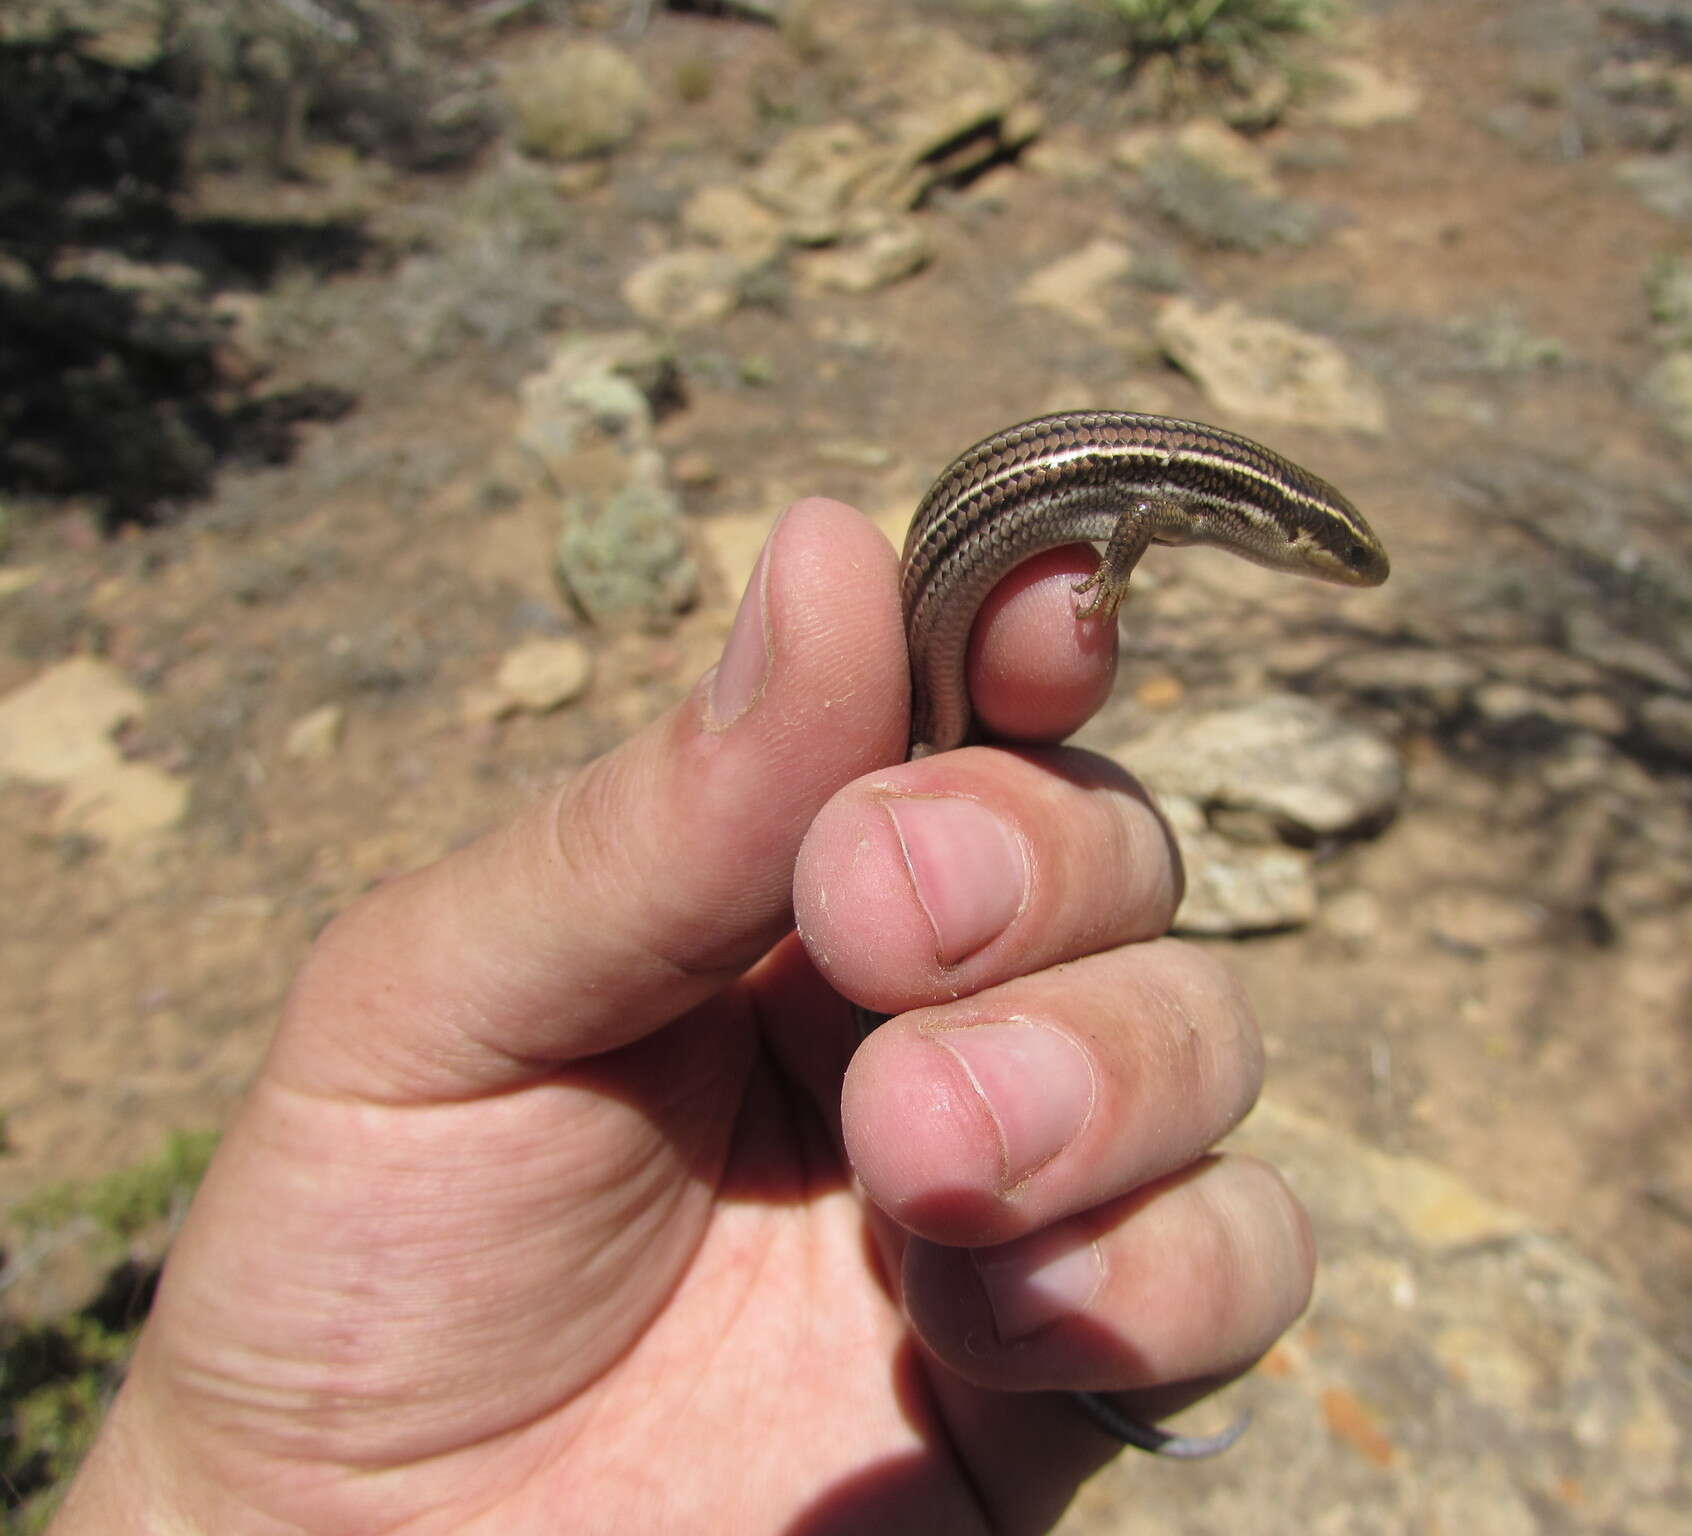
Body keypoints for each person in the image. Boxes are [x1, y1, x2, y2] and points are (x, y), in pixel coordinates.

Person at [52, 499, 1314, 1534]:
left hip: (938, 750)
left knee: (942, 903)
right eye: (1330, 554)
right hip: (934, 693)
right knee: (930, 869)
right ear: (1276, 526)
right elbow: (1126, 528)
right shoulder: (1145, 500)